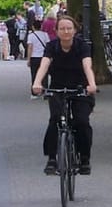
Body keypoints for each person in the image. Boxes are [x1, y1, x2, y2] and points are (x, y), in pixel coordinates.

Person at [31, 13, 97, 175]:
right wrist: (37, 83)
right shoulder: (52, 46)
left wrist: (92, 84)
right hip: (57, 89)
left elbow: (87, 66)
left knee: (81, 121)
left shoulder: (82, 46)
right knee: (55, 120)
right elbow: (44, 66)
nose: (66, 32)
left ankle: (84, 158)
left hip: (81, 88)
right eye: (62, 29)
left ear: (75, 30)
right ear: (57, 31)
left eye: (69, 28)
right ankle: (52, 158)